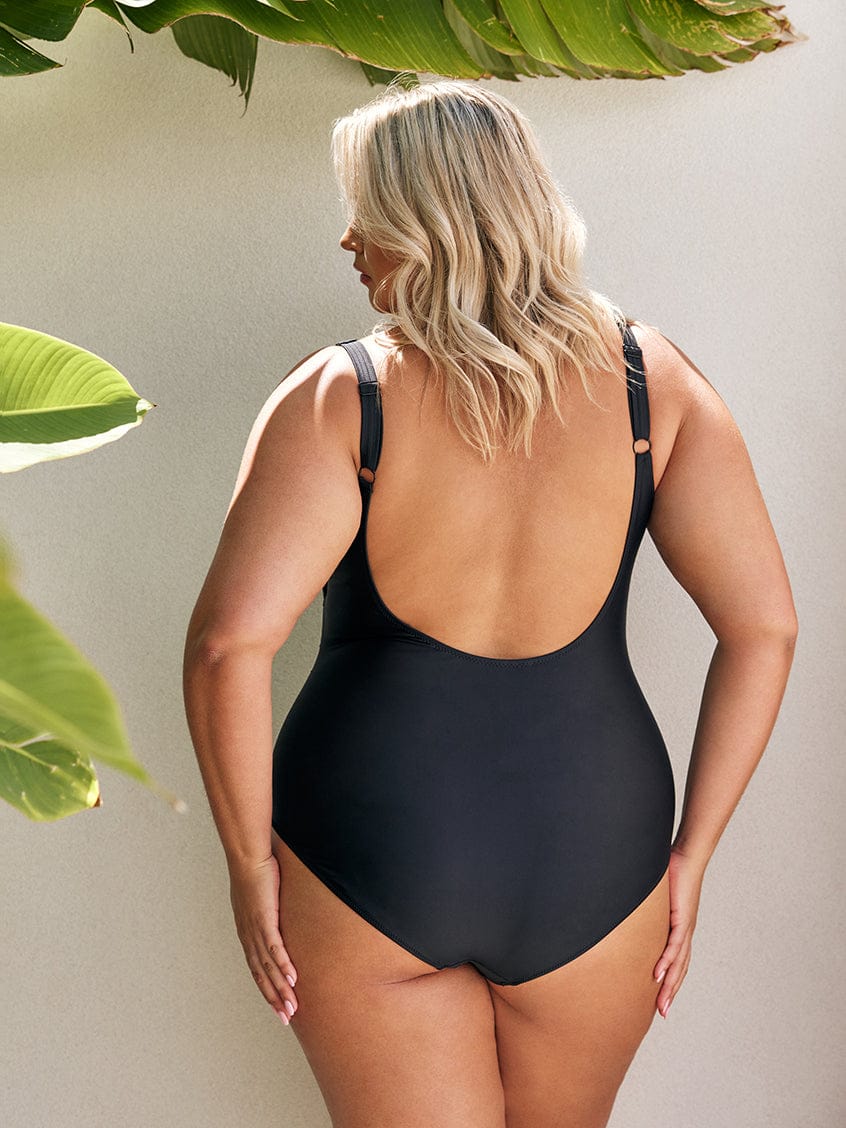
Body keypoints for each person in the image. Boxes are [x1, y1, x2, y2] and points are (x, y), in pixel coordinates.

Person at [183, 79, 798, 1128]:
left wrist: (249, 866)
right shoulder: (661, 387)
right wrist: (691, 855)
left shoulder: (342, 396)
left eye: (365, 207)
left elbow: (230, 647)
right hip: (598, 858)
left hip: (371, 852)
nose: (346, 238)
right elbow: (766, 627)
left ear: (424, 221)